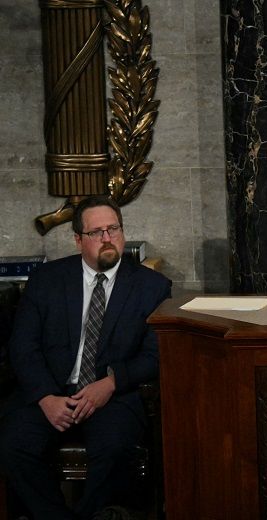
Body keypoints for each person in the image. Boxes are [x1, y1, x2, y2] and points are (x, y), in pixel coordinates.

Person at [0, 195, 172, 519]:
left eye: (114, 229)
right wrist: (45, 397)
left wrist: (111, 383)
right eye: (97, 233)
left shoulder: (152, 287)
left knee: (116, 447)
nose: (108, 239)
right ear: (78, 239)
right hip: (52, 390)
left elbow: (155, 354)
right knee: (12, 444)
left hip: (112, 395)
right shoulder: (46, 280)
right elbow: (23, 346)